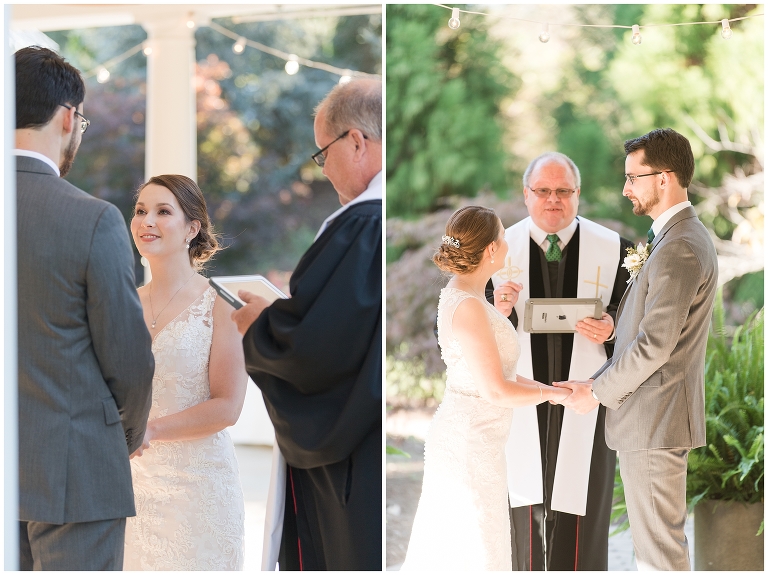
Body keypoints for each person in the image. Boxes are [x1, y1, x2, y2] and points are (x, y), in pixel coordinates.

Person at [230, 79, 382, 571]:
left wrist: (262, 325)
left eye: (322, 153)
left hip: (356, 460)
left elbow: (318, 350)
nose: (323, 169)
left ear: (356, 141)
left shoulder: (364, 225)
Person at [14, 46, 154, 570]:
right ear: (68, 117)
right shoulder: (92, 219)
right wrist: (122, 438)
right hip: (76, 470)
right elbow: (129, 360)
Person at [554, 129, 718, 571]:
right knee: (653, 551)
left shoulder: (680, 246)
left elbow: (655, 345)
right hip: (653, 419)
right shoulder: (672, 238)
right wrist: (598, 368)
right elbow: (649, 331)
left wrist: (595, 391)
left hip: (655, 419)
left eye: (633, 178)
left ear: (664, 178)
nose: (626, 189)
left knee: (659, 555)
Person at [403, 206, 572, 571]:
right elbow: (496, 390)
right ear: (492, 249)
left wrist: (552, 389)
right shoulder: (467, 305)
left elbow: (501, 373)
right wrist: (553, 395)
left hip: (481, 440)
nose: (507, 244)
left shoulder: (473, 298)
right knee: (475, 548)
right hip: (469, 445)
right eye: (503, 237)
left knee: (481, 544)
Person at [490, 152, 634, 570]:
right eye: (543, 190)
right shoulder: (496, 251)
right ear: (526, 194)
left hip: (587, 399)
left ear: (578, 193)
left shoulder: (615, 250)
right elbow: (467, 327)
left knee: (583, 507)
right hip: (521, 400)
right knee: (522, 508)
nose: (553, 199)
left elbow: (637, 319)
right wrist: (498, 312)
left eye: (563, 191)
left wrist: (612, 328)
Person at [123, 174, 248, 570]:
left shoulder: (221, 303)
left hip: (198, 492)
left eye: (163, 211)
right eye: (140, 211)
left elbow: (228, 406)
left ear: (192, 229)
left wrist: (151, 430)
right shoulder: (122, 303)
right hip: (131, 489)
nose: (147, 221)